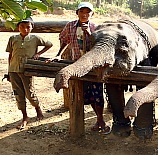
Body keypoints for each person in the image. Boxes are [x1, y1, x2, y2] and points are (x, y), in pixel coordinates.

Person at [48, 2, 111, 134]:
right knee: (83, 95)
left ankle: (100, 120)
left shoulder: (96, 27)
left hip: (93, 66)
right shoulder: (70, 26)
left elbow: (99, 45)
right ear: (77, 13)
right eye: (82, 12)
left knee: (97, 94)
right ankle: (96, 121)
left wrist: (88, 33)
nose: (84, 14)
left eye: (87, 12)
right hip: (77, 66)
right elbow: (64, 40)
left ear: (91, 14)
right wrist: (58, 55)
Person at [6, 17, 53, 130]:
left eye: (28, 27)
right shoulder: (13, 38)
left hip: (27, 70)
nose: (25, 29)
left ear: (32, 27)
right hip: (13, 70)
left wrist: (39, 54)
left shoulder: (35, 38)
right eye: (22, 26)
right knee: (18, 94)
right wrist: (8, 72)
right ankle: (25, 117)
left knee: (29, 93)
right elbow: (10, 55)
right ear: (18, 27)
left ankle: (38, 110)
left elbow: (49, 44)